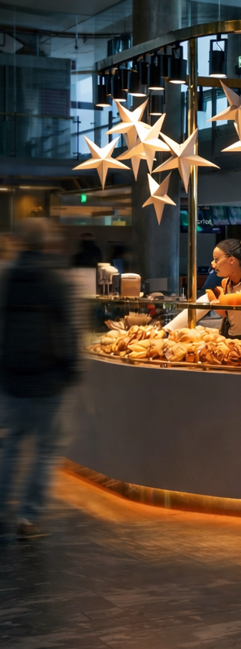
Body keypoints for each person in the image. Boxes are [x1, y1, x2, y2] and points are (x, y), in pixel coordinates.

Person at [0, 219, 82, 539]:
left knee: (10, 446)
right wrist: (74, 371)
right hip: (49, 378)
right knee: (46, 450)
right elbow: (72, 329)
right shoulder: (60, 280)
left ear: (21, 242)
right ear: (49, 243)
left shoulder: (6, 276)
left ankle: (2, 508)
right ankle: (28, 517)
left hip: (11, 376)